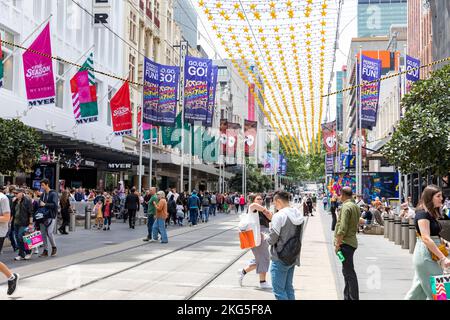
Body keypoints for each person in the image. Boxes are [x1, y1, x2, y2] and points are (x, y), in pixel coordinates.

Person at [405, 185, 450, 300]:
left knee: (417, 293)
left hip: (428, 255)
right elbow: (425, 237)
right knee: (440, 293)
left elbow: (433, 235)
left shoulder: (430, 213)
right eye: (438, 196)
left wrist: (445, 243)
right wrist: (443, 258)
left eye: (441, 196)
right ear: (430, 197)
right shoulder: (422, 213)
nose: (442, 198)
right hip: (426, 256)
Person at [266, 191, 305, 300]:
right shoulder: (298, 214)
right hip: (293, 256)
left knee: (278, 291)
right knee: (288, 288)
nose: (274, 205)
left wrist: (265, 237)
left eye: (274, 202)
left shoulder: (279, 216)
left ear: (278, 201)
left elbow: (272, 240)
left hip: (279, 257)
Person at [238, 194, 273, 289]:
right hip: (257, 235)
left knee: (262, 258)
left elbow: (271, 218)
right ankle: (263, 282)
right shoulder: (252, 208)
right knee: (264, 258)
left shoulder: (262, 210)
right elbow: (254, 206)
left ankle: (243, 271)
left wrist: (266, 212)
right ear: (253, 200)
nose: (260, 200)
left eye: (261, 199)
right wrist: (265, 210)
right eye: (258, 199)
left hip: (264, 234)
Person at [334, 187, 362, 300]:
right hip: (351, 243)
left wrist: (337, 244)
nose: (339, 197)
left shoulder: (346, 207)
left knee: (349, 272)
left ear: (343, 194)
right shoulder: (355, 206)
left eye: (340, 195)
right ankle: (347, 297)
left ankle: (353, 297)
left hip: (344, 245)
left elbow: (342, 227)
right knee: (346, 270)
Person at [12, 189, 34, 261]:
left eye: (17, 193)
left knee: (22, 237)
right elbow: (13, 212)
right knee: (18, 238)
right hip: (16, 222)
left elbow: (31, 212)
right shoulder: (15, 201)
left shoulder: (27, 200)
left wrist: (30, 223)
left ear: (21, 193)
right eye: (14, 193)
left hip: (24, 223)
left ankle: (28, 252)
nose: (15, 194)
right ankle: (21, 254)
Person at [38, 179, 58, 257]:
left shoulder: (53, 194)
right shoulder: (43, 194)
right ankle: (45, 250)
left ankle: (54, 247)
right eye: (41, 185)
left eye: (43, 185)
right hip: (42, 216)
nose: (41, 187)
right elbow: (41, 204)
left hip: (51, 215)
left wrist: (45, 204)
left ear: (47, 184)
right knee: (43, 233)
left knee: (49, 232)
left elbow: (55, 205)